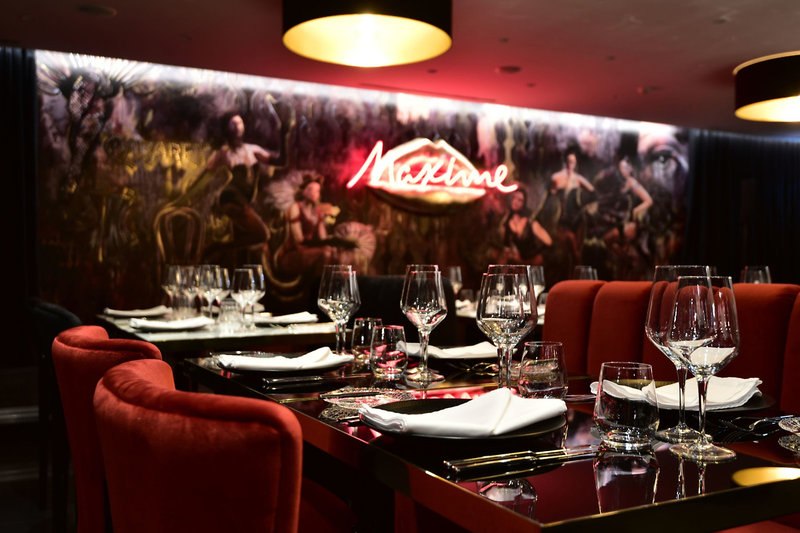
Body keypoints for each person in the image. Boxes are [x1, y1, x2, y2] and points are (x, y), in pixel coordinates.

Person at [277, 174, 344, 273]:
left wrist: (333, 242)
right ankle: (320, 281)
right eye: (311, 189)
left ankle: (329, 280)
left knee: (333, 252)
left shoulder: (317, 212)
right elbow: (299, 240)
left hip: (311, 250)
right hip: (294, 252)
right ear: (304, 191)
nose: (314, 193)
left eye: (317, 191)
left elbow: (323, 238)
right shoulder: (295, 208)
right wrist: (319, 245)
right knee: (325, 254)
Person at [499, 188, 552, 264]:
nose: (515, 202)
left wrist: (539, 257)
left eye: (520, 200)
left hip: (533, 263)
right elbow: (506, 247)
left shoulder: (530, 222)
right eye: (514, 198)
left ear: (524, 203)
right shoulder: (507, 223)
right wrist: (511, 255)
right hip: (520, 263)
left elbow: (549, 242)